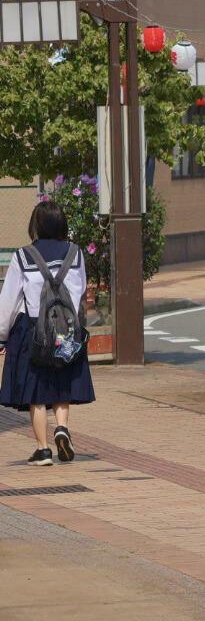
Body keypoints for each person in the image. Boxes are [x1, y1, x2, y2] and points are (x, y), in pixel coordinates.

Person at [0, 200, 94, 466]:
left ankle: (43, 450)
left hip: (33, 331)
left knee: (36, 393)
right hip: (66, 331)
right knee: (62, 382)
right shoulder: (75, 254)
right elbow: (80, 291)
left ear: (36, 225)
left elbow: (8, 299)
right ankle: (62, 428)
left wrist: (2, 335)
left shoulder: (23, 256)